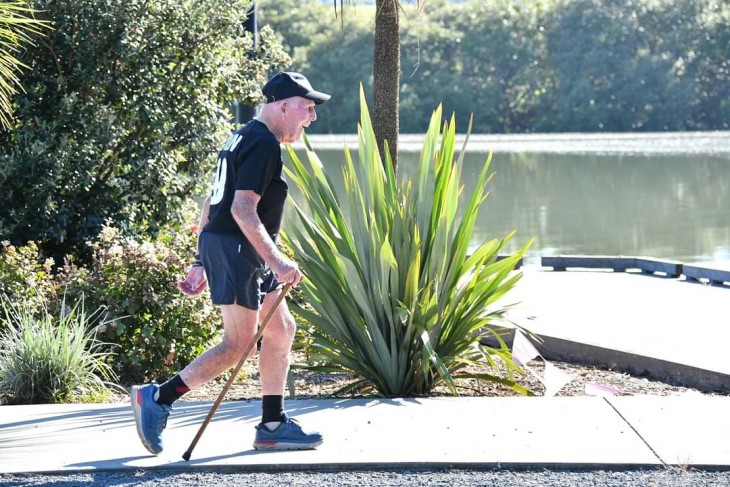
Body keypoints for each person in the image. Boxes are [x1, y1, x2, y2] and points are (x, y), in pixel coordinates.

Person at [130, 72, 330, 455]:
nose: (312, 117)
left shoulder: (242, 136)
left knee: (281, 329)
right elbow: (240, 208)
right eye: (306, 108)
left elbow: (212, 202)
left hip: (239, 248)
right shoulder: (262, 143)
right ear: (283, 105)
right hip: (239, 249)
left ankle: (272, 425)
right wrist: (278, 259)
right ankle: (157, 398)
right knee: (237, 345)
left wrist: (198, 261)